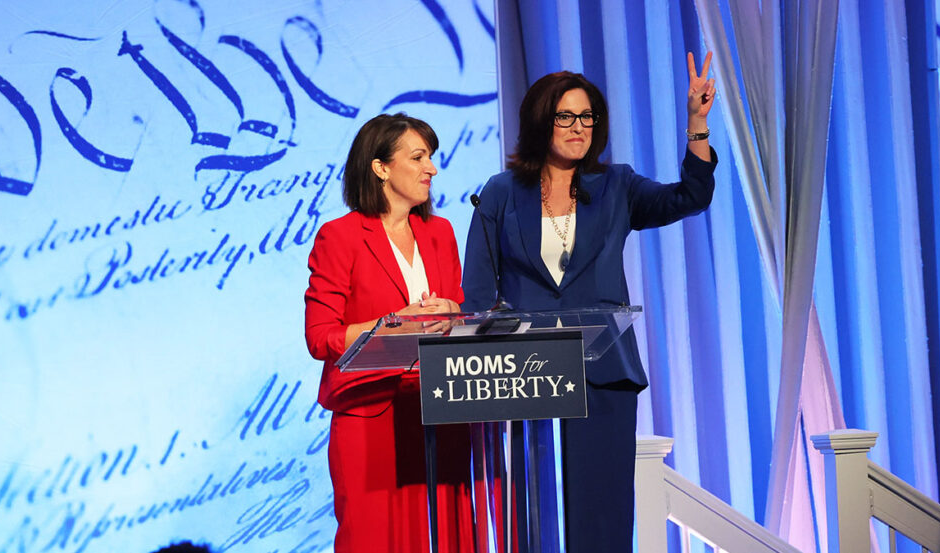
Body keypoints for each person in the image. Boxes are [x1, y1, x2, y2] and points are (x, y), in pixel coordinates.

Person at [461, 53, 718, 552]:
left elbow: (689, 197)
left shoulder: (616, 185)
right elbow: (476, 293)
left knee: (602, 513)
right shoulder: (499, 193)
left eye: (587, 117)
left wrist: (697, 124)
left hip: (603, 370)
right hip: (524, 375)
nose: (578, 127)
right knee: (530, 513)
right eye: (565, 116)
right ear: (541, 120)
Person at [305, 113, 473, 552]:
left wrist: (455, 311)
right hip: (370, 418)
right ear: (380, 167)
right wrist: (393, 326)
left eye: (431, 158)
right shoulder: (339, 237)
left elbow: (455, 313)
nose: (431, 168)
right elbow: (320, 337)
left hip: (442, 412)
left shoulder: (441, 233)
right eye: (418, 157)